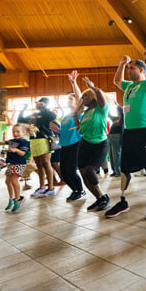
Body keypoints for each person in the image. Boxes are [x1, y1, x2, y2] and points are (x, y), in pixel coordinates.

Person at [106, 51, 146, 219]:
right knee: (125, 167)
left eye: (132, 68)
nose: (129, 71)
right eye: (129, 68)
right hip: (130, 132)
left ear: (142, 70)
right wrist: (122, 63)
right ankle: (123, 201)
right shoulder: (129, 86)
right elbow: (117, 81)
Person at [73, 77, 110, 211]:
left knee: (89, 171)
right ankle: (99, 198)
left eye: (85, 95)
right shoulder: (87, 112)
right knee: (83, 172)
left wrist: (93, 87)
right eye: (82, 96)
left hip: (99, 144)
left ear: (93, 96)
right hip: (85, 143)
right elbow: (80, 130)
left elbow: (100, 95)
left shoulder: (101, 108)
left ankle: (103, 197)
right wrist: (75, 115)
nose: (83, 98)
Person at [50, 71, 85, 201]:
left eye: (71, 98)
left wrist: (73, 82)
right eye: (68, 98)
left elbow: (79, 97)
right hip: (65, 145)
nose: (69, 100)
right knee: (64, 172)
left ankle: (80, 190)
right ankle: (75, 190)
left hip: (76, 144)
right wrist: (57, 130)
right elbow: (65, 132)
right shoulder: (65, 116)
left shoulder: (78, 112)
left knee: (71, 170)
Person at [0, 124, 29, 212]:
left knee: (14, 180)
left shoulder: (24, 142)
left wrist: (16, 150)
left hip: (19, 164)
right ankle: (11, 199)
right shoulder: (12, 141)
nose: (15, 133)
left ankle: (18, 199)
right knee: (7, 181)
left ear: (24, 132)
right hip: (11, 164)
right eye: (13, 131)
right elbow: (1, 143)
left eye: (18, 131)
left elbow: (23, 153)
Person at [29, 97, 57, 198]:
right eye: (38, 103)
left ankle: (51, 188)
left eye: (41, 103)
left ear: (45, 104)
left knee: (46, 163)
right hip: (34, 140)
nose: (38, 104)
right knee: (39, 165)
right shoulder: (34, 114)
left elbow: (53, 117)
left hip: (44, 140)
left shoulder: (47, 113)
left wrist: (45, 108)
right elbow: (23, 121)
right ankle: (42, 187)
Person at [108, 102, 124, 177]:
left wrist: (117, 104)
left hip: (117, 138)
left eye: (118, 111)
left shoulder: (123, 119)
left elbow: (123, 109)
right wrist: (108, 105)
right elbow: (109, 114)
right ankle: (114, 170)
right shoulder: (115, 118)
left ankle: (118, 171)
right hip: (111, 137)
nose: (117, 112)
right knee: (111, 155)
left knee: (116, 155)